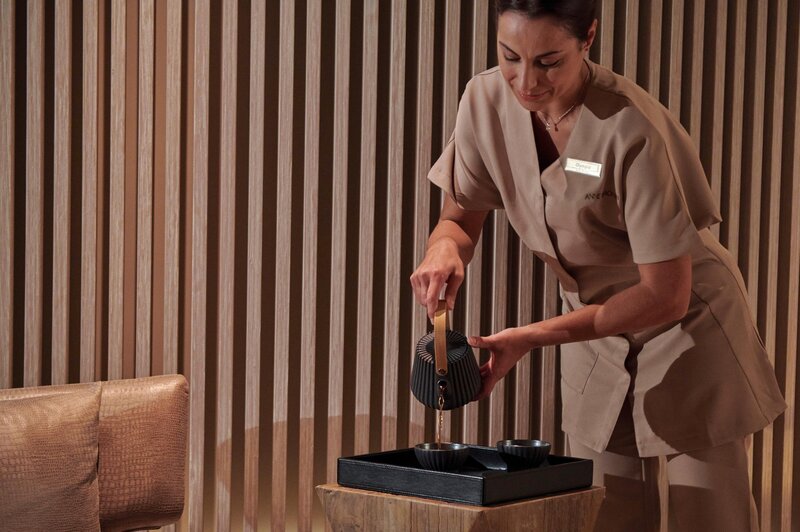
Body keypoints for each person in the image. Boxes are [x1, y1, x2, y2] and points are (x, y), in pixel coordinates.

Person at [409, 1, 786, 530]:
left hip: (687, 329)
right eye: (509, 56)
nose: (526, 82)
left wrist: (528, 338)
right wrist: (444, 248)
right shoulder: (484, 101)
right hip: (593, 332)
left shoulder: (630, 126)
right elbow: (459, 218)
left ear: (588, 37)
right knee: (604, 512)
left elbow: (665, 296)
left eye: (548, 62)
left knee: (707, 515)